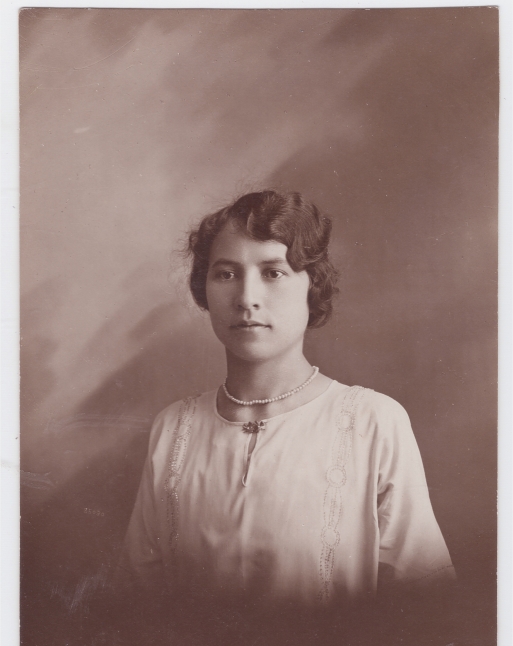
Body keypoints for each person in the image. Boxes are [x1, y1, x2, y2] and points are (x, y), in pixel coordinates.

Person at [117, 190, 455, 606]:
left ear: (313, 286)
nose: (246, 299)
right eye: (226, 274)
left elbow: (426, 604)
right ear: (203, 289)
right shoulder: (174, 428)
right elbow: (137, 602)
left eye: (273, 273)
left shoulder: (372, 421)